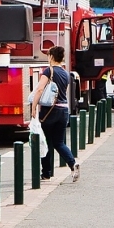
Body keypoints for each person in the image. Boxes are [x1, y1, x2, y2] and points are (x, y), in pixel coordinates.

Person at [29, 45, 78, 182]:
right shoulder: (66, 73)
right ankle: (72, 163)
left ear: (51, 57)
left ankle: (46, 173)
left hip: (49, 111)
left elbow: (39, 89)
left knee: (45, 141)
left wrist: (33, 107)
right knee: (59, 142)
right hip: (64, 110)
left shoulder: (48, 71)